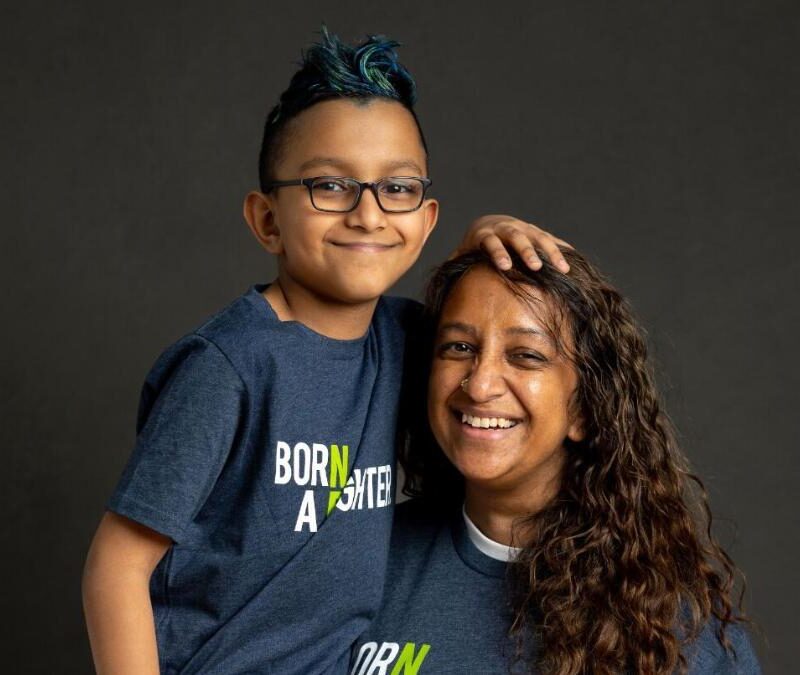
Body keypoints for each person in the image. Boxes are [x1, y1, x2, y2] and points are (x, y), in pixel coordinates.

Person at [80, 27, 569, 675]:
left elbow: (478, 347)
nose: (367, 216)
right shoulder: (229, 366)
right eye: (329, 186)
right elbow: (116, 567)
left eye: (396, 189)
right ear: (266, 220)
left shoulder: (403, 341)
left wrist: (477, 248)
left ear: (425, 219)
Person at [352, 249, 760, 674]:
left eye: (526, 355)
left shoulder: (672, 623)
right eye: (459, 347)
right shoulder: (360, 558)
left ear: (584, 408)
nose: (480, 384)